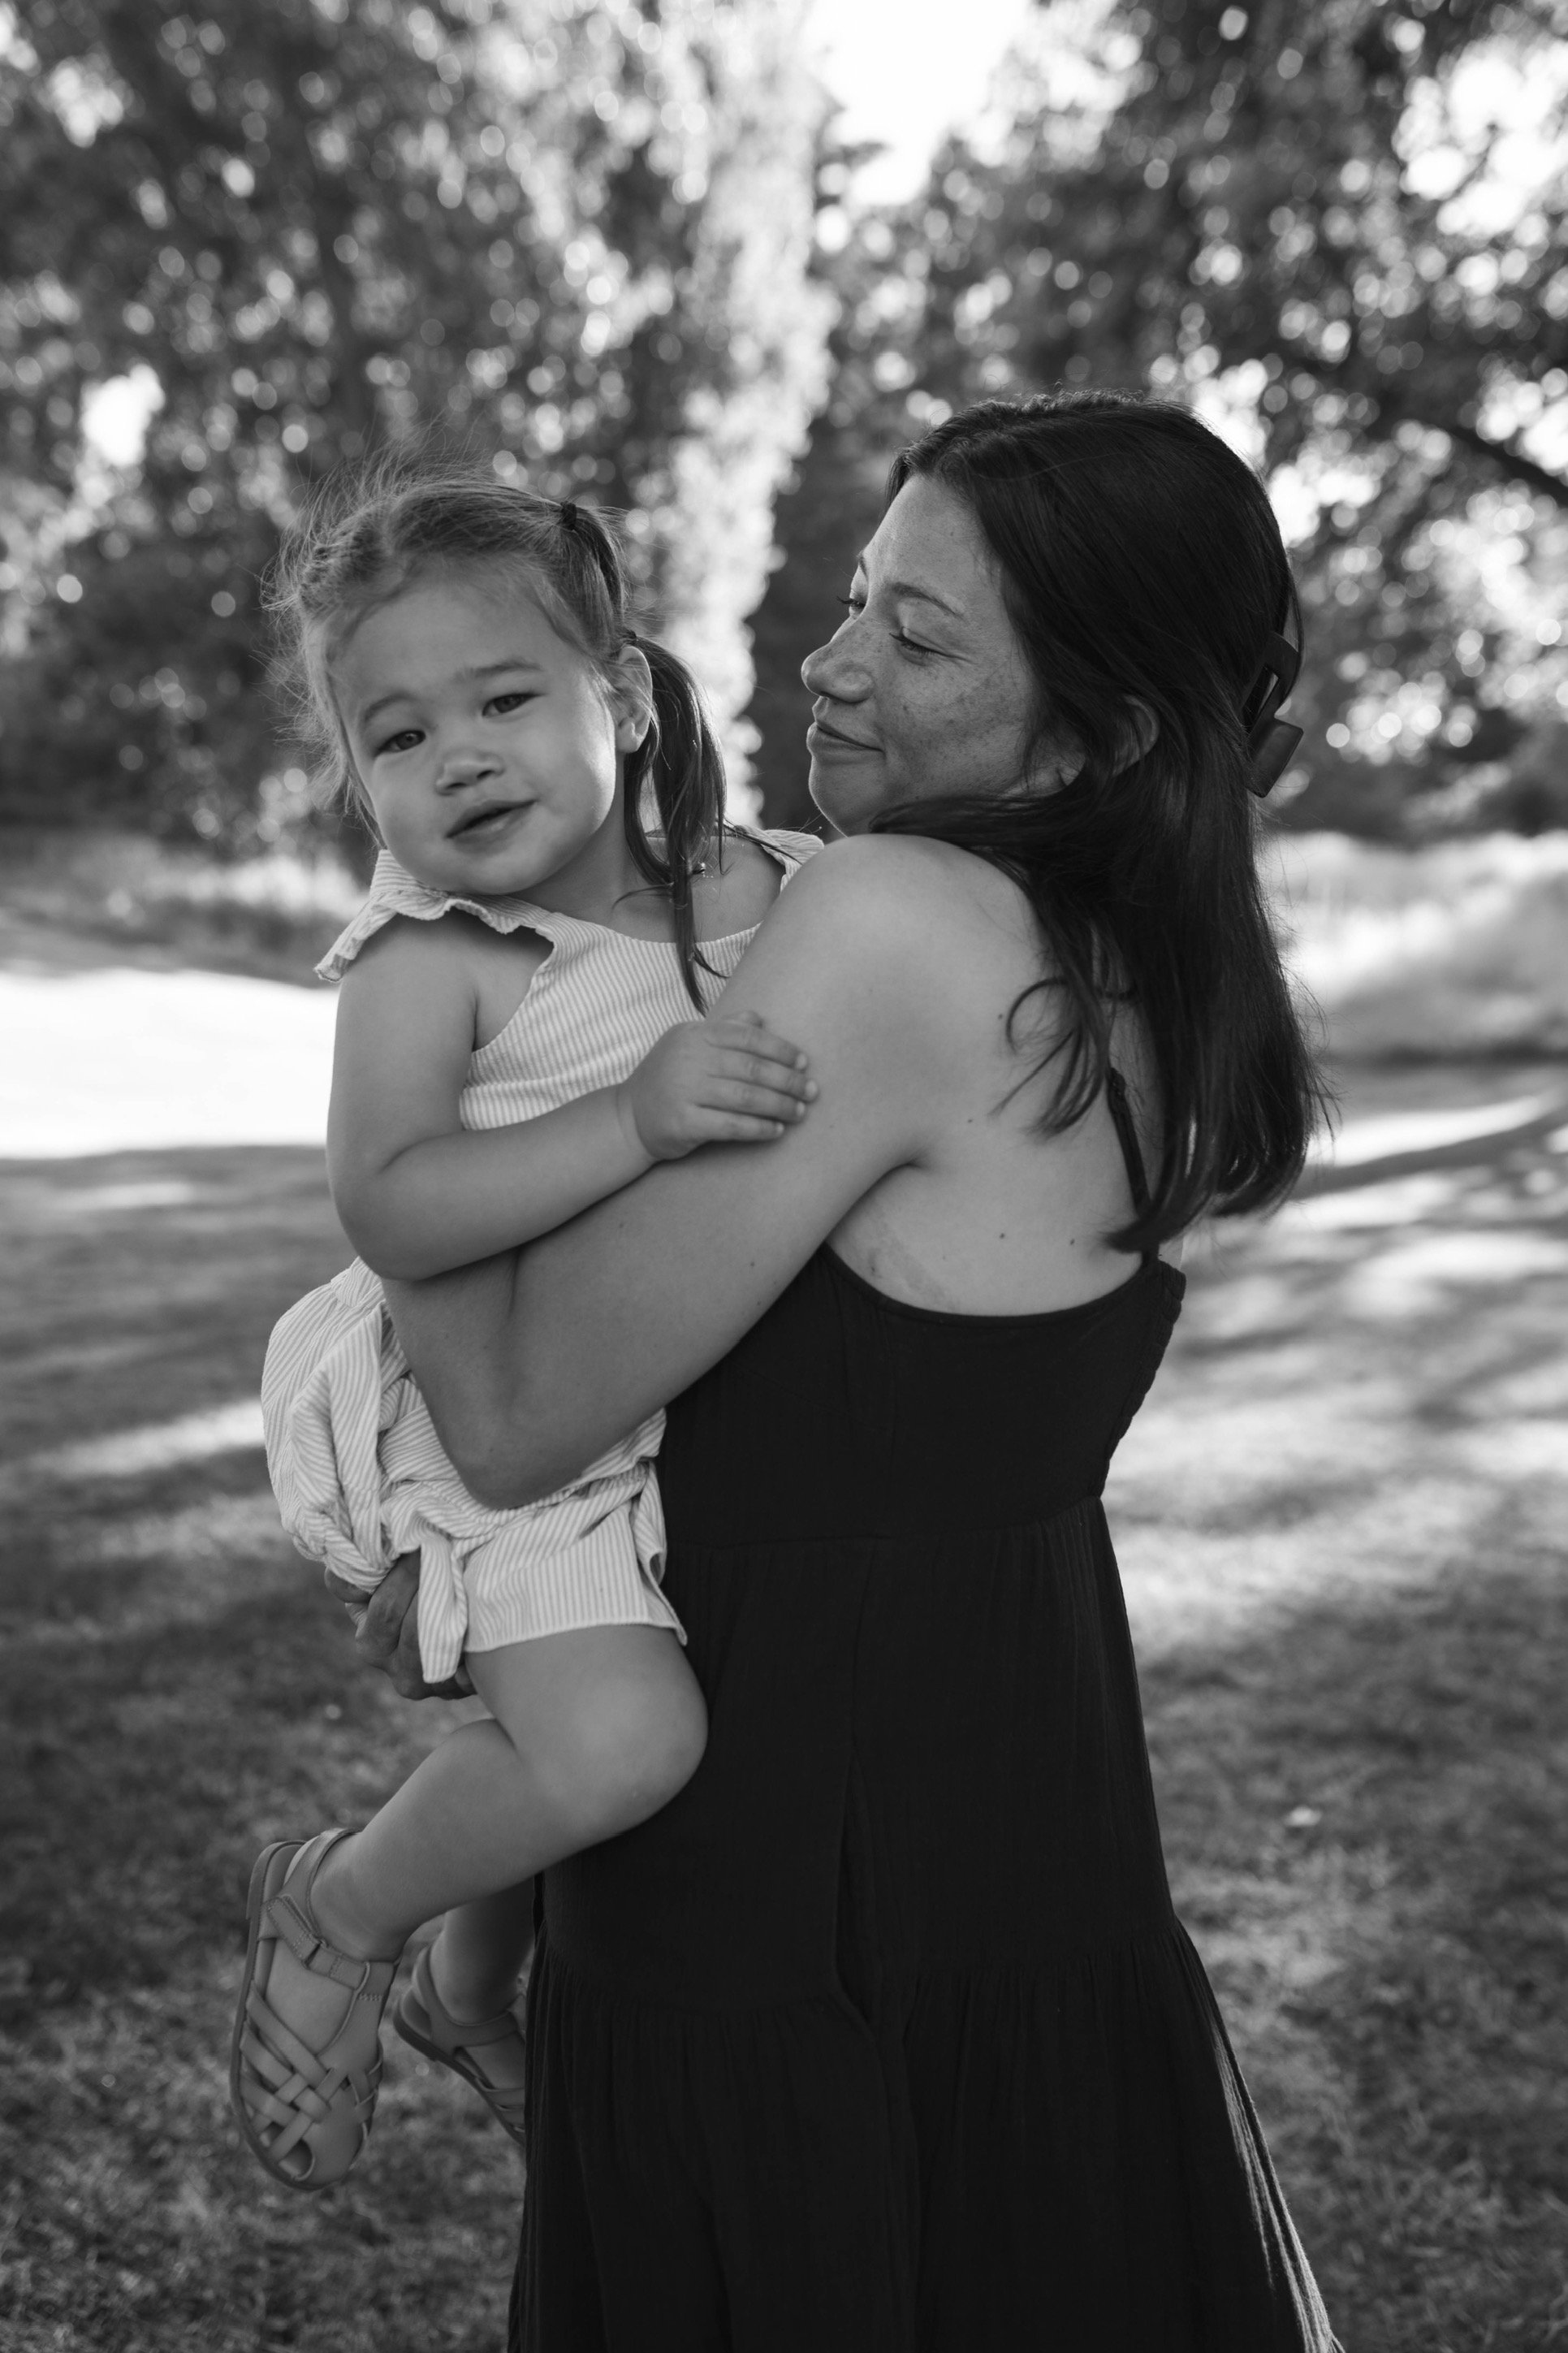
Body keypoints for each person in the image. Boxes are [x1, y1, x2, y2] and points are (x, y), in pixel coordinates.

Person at [356, 390, 1343, 2349]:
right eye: (864, 598)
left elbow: (513, 1412)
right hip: (1028, 1813)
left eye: (918, 633)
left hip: (793, 1876)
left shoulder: (894, 920)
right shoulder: (1143, 962)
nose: (831, 658)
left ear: (1105, 730)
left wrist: (417, 1123)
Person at [230, 468, 821, 2191]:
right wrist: (632, 1120)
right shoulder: (438, 957)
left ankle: (466, 1984)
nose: (460, 758)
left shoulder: (772, 886)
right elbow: (394, 1202)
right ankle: (341, 1908)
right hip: (497, 1431)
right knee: (622, 1740)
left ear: (625, 698)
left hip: (674, 1394)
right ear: (356, 776)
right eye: (398, 736)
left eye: (504, 700)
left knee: (596, 1742)